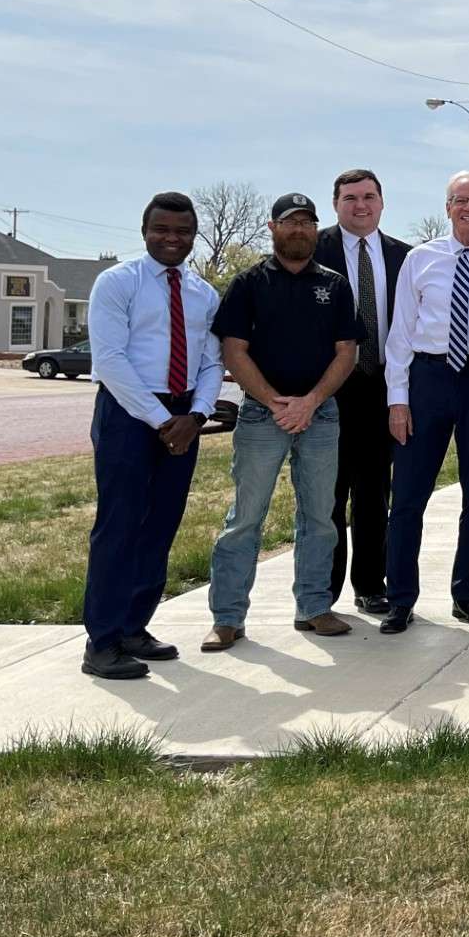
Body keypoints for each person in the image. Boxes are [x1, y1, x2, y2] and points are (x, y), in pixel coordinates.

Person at [203, 192, 362, 650]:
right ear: (272, 228)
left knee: (320, 517)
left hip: (321, 414)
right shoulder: (249, 283)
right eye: (290, 222)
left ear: (316, 229)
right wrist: (276, 403)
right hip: (261, 415)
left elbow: (346, 352)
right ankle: (227, 617)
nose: (299, 230)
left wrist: (310, 402)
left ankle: (314, 607)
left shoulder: (334, 285)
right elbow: (234, 351)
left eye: (307, 223)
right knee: (245, 518)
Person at [77, 192, 225, 680]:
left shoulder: (204, 294)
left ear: (193, 236)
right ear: (144, 231)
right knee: (119, 525)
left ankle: (134, 627)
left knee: (161, 524)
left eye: (182, 231)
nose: (171, 239)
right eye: (162, 229)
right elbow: (110, 360)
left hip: (184, 415)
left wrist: (196, 416)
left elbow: (212, 362)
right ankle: (102, 642)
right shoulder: (117, 282)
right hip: (128, 413)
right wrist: (162, 420)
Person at [382, 170, 469, 634]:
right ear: (447, 207)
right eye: (461, 200)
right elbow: (400, 335)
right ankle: (400, 599)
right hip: (428, 378)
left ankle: (466, 595)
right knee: (408, 496)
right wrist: (398, 401)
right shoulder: (420, 259)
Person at [314, 167, 411, 615]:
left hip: (382, 388)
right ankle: (322, 591)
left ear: (382, 202)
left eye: (369, 196)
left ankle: (371, 585)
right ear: (336, 204)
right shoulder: (315, 251)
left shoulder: (404, 257)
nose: (361, 205)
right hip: (328, 390)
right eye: (350, 198)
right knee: (327, 495)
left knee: (374, 494)